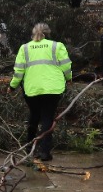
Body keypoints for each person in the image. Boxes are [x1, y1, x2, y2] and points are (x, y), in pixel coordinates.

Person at [9, 22, 72, 161]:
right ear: (48, 33)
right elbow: (66, 66)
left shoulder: (24, 48)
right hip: (53, 89)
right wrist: (69, 78)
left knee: (34, 116)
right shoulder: (57, 46)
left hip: (32, 90)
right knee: (47, 119)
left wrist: (12, 86)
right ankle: (44, 152)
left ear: (33, 34)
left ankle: (28, 147)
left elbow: (18, 71)